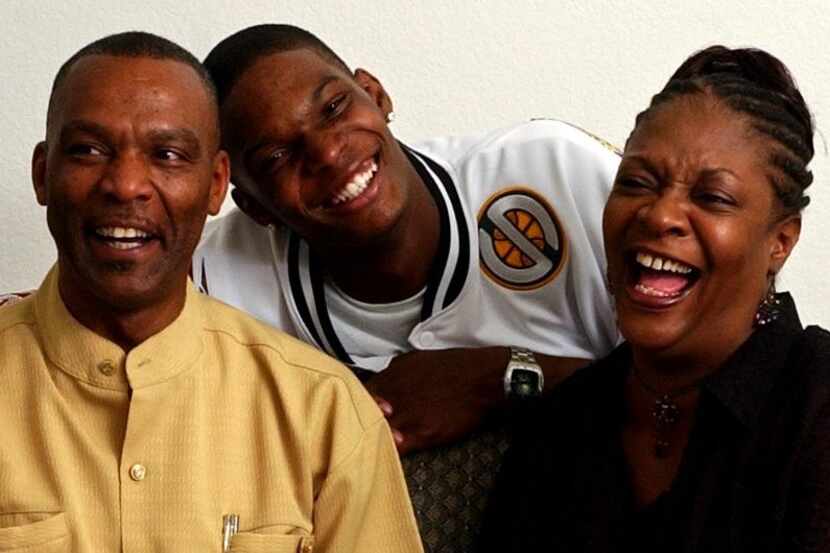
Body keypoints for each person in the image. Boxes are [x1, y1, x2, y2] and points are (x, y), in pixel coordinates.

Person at [0, 31, 422, 553]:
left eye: (169, 154)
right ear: (43, 175)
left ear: (217, 184)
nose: (127, 184)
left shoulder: (324, 410)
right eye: (88, 150)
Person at [193, 24, 621, 454]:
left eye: (335, 108)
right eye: (276, 157)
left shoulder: (554, 170)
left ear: (375, 95)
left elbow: (685, 382)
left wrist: (501, 375)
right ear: (255, 207)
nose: (326, 153)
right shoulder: (213, 283)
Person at [479, 45, 829, 551]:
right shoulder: (562, 423)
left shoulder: (816, 403)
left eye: (712, 197)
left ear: (781, 241)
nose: (659, 214)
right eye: (637, 183)